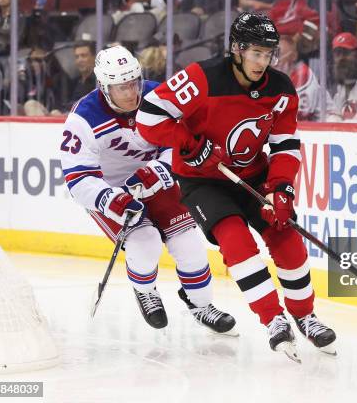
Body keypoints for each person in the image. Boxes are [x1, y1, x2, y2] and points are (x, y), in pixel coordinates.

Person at [135, 12, 336, 360]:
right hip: (200, 181)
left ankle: (305, 315)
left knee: (286, 237)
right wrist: (188, 143)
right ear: (237, 50)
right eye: (255, 53)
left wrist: (281, 188)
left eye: (268, 54)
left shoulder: (281, 90)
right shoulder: (202, 78)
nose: (262, 62)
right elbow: (148, 117)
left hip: (252, 177)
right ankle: (274, 320)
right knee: (236, 240)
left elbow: (286, 145)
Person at [59, 45, 237, 334]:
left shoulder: (158, 97)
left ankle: (201, 304)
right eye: (121, 87)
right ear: (104, 87)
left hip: (155, 180)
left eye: (133, 82)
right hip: (110, 190)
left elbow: (181, 144)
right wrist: (112, 200)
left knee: (188, 244)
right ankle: (145, 290)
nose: (131, 92)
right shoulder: (83, 118)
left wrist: (161, 169)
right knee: (146, 241)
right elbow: (77, 179)